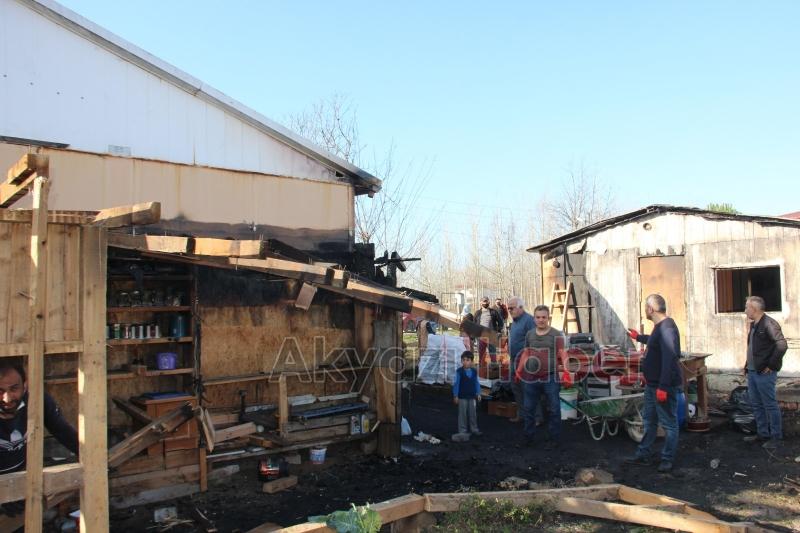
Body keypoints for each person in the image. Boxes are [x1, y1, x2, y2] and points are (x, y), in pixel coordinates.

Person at [0, 359, 78, 516]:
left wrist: (94, 459)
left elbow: (62, 431)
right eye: (0, 391)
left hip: (19, 474)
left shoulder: (36, 400)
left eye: (14, 388)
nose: (7, 399)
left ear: (25, 385)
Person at [625, 294, 682, 473]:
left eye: (645, 307)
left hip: (663, 386)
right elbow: (655, 341)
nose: (645, 311)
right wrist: (638, 337)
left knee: (669, 424)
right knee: (649, 421)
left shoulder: (667, 329)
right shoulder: (660, 327)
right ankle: (644, 454)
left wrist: (663, 387)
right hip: (652, 385)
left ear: (651, 309)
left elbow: (670, 359)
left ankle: (667, 459)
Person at [520, 305, 569, 449]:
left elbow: (563, 353)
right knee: (528, 409)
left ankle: (554, 439)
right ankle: (528, 438)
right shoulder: (529, 334)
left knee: (554, 409)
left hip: (550, 377)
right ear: (534, 319)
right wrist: (519, 370)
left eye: (544, 317)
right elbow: (526, 353)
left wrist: (567, 372)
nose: (541, 320)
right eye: (538, 317)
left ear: (548, 318)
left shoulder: (556, 334)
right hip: (531, 377)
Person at [743, 295, 788, 449]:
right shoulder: (754, 325)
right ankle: (763, 434)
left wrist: (771, 365)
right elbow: (754, 348)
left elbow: (781, 345)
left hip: (764, 373)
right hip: (753, 371)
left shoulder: (769, 324)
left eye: (747, 307)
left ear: (754, 309)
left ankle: (776, 437)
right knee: (756, 404)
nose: (745, 310)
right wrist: (747, 366)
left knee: (770, 405)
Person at [507, 297, 535, 423]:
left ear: (521, 307)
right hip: (514, 360)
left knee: (528, 389)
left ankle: (536, 417)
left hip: (526, 360)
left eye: (512, 308)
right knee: (516, 388)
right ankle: (522, 415)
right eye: (508, 308)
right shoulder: (514, 321)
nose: (509, 310)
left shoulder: (529, 320)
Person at [452, 351, 481, 438]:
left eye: (467, 360)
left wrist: (478, 393)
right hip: (462, 397)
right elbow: (456, 384)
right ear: (461, 361)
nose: (465, 362)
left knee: (473, 414)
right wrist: (455, 395)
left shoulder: (474, 372)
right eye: (463, 360)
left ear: (471, 361)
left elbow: (476, 383)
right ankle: (462, 430)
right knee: (462, 414)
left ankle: (474, 429)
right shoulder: (459, 372)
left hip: (472, 396)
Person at [474, 297, 503, 363]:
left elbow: (500, 322)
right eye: (484, 302)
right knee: (481, 353)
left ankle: (494, 365)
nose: (485, 303)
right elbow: (474, 324)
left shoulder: (493, 312)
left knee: (492, 352)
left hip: (491, 335)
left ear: (489, 302)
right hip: (481, 336)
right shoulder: (477, 313)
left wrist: (498, 331)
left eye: (486, 301)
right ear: (481, 303)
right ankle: (481, 365)